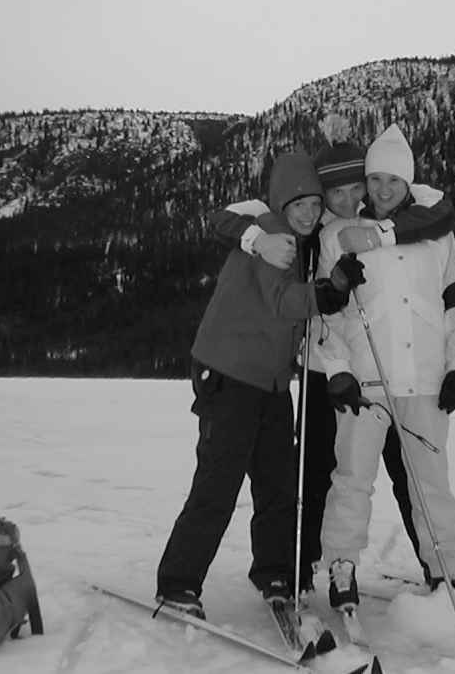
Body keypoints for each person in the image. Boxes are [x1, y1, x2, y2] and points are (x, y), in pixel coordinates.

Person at [208, 140, 455, 593]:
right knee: (320, 470)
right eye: (334, 193)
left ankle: (438, 568)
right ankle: (303, 568)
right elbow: (222, 218)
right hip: (323, 369)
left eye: (354, 188)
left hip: (384, 372)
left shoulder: (389, 219)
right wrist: (258, 239)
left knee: (408, 473)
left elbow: (440, 211)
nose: (346, 200)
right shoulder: (303, 217)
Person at [154, 152, 366, 620]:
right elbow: (283, 300)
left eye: (315, 203)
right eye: (300, 204)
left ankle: (274, 570)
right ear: (281, 203)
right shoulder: (272, 235)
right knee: (219, 481)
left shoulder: (298, 236)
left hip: (270, 380)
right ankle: (177, 583)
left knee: (277, 481)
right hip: (230, 373)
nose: (309, 213)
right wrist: (328, 292)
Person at [316, 123, 455, 609]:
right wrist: (337, 369)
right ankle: (342, 567)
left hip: (425, 383)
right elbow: (328, 316)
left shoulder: (437, 236)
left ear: (409, 183)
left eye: (395, 181)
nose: (385, 190)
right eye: (377, 180)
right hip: (366, 383)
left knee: (432, 485)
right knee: (351, 480)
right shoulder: (338, 236)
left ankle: (446, 573)